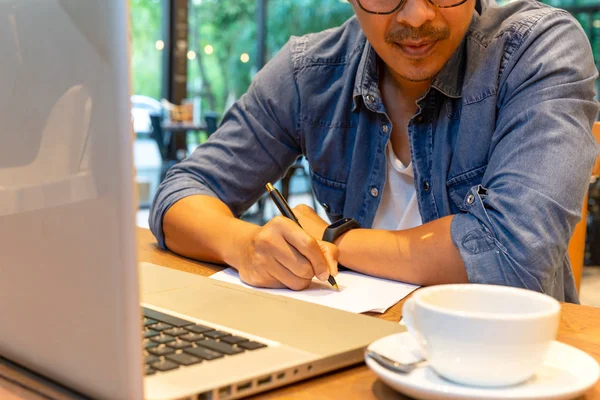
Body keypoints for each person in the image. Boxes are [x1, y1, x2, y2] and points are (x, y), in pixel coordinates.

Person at [150, 0, 599, 302]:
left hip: (501, 367)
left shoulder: (533, 50)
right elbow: (182, 192)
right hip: (360, 353)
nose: (419, 16)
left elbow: (514, 257)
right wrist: (246, 245)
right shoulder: (311, 73)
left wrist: (335, 240)